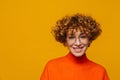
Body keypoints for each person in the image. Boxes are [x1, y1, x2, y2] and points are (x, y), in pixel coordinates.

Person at [40, 13, 109, 80]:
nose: (78, 43)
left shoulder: (100, 72)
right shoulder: (52, 67)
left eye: (83, 37)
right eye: (71, 37)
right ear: (65, 41)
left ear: (89, 40)